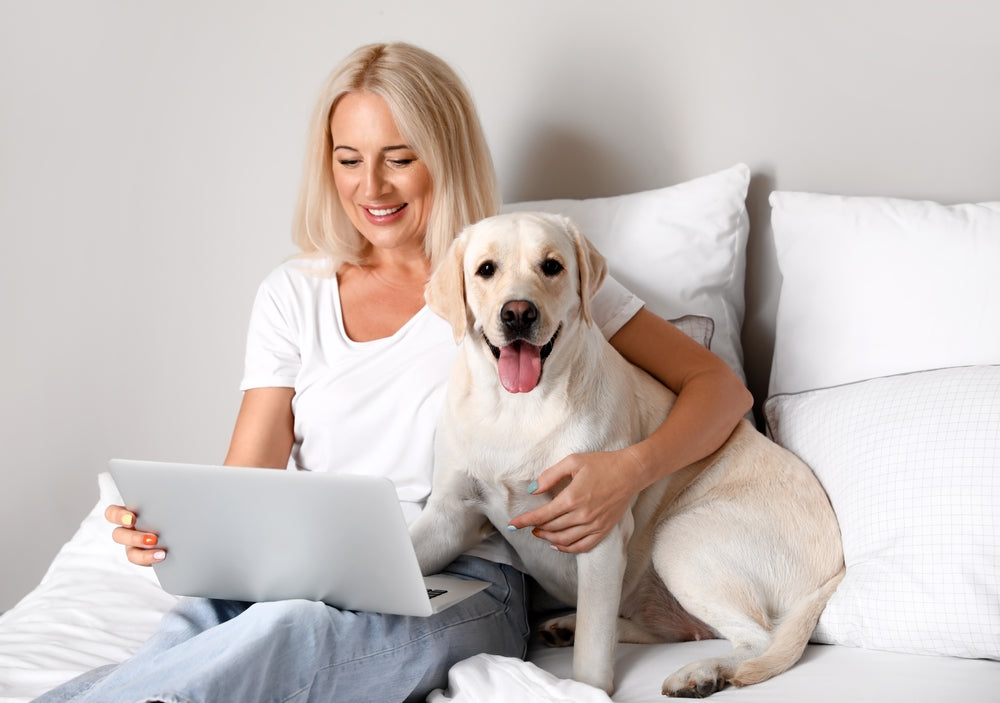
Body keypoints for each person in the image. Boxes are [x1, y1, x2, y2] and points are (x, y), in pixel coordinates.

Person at [35, 42, 752, 702]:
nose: (371, 185)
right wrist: (177, 532)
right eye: (348, 158)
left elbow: (720, 389)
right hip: (313, 564)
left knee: (286, 636)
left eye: (399, 156)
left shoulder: (525, 274)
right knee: (195, 622)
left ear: (445, 155)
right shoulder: (293, 293)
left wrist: (628, 470)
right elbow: (245, 481)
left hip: (466, 577)